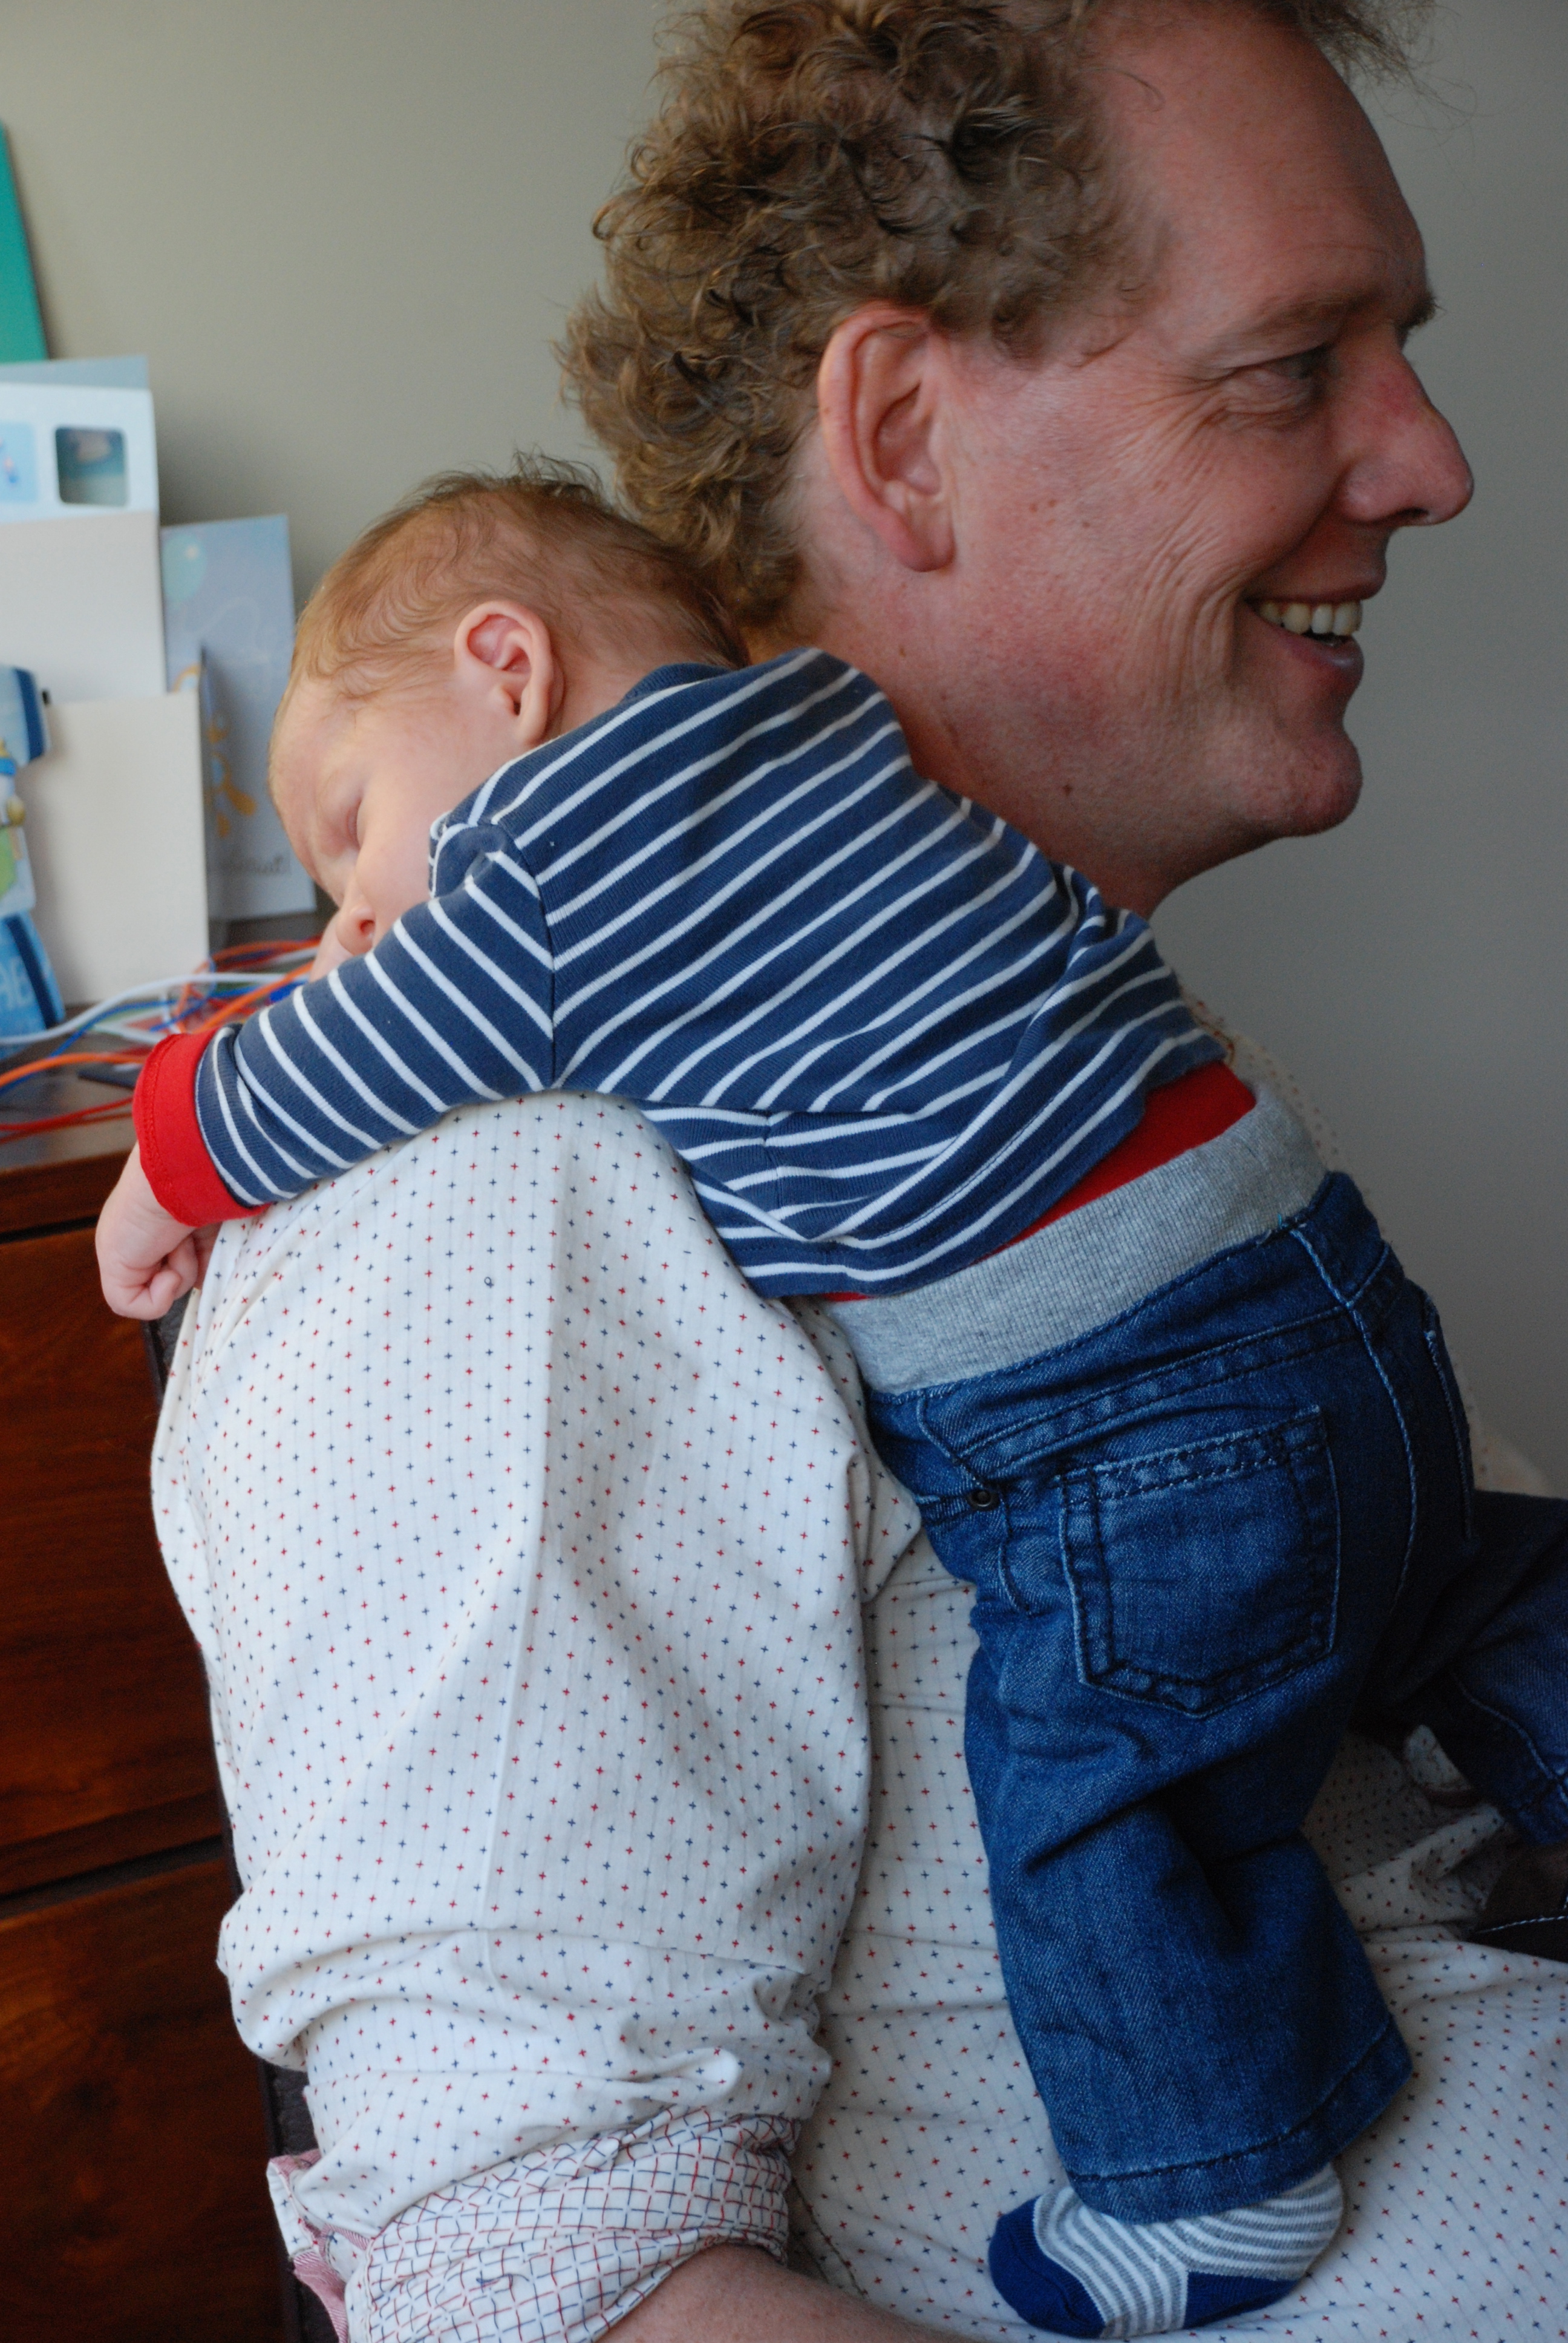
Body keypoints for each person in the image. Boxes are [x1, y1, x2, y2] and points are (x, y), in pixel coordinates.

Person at [139, 2, 1568, 2339]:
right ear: (900, 435)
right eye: (1295, 365)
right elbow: (549, 2294)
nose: (1430, 461)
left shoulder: (1030, 1039)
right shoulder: (529, 1186)